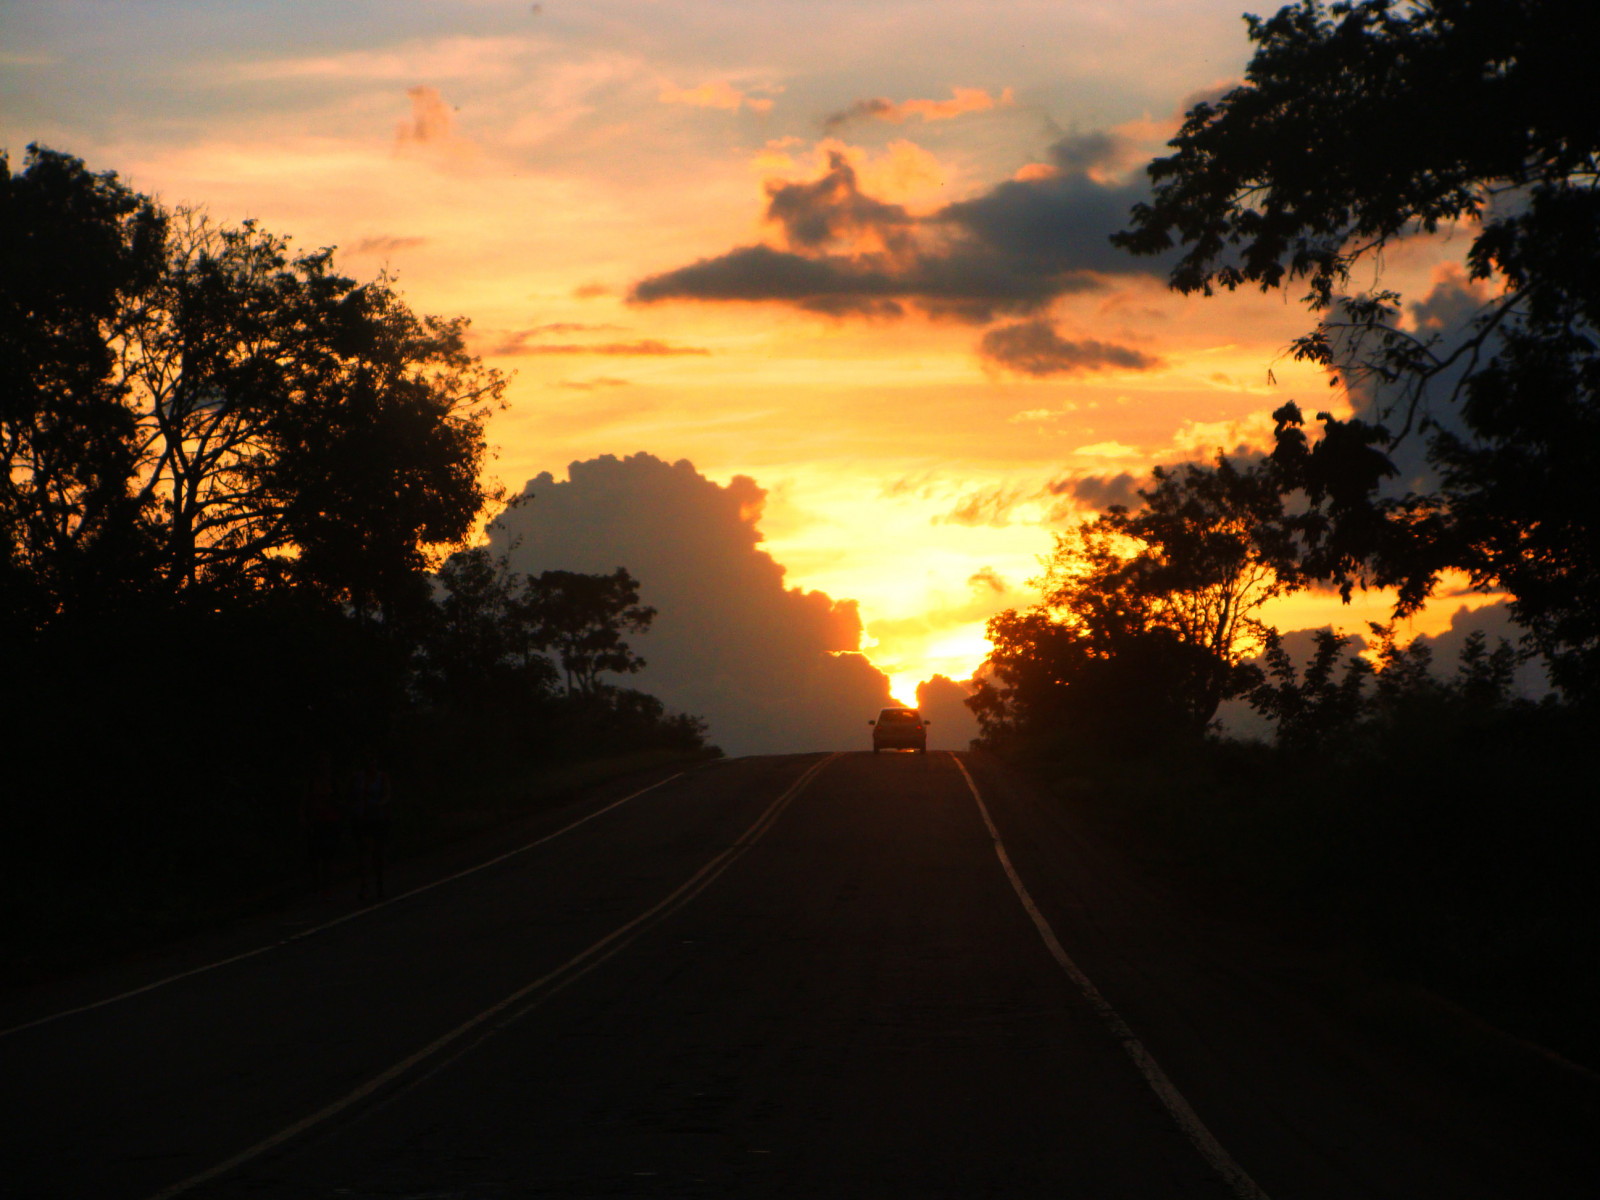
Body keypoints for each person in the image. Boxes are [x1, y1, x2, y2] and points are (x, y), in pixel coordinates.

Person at [351, 748, 393, 901]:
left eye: (372, 760)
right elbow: (352, 795)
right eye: (368, 760)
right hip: (362, 818)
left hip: (377, 818)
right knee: (364, 852)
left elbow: (387, 794)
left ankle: (379, 885)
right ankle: (365, 886)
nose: (370, 763)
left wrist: (380, 804)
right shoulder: (358, 778)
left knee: (378, 852)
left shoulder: (382, 777)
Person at [302, 751, 343, 902]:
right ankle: (316, 887)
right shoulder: (312, 782)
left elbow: (340, 802)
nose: (323, 767)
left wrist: (332, 801)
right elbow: (305, 800)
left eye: (325, 763)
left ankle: (327, 888)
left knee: (328, 857)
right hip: (316, 821)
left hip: (330, 821)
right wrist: (305, 818)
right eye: (321, 763)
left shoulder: (333, 782)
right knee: (314, 857)